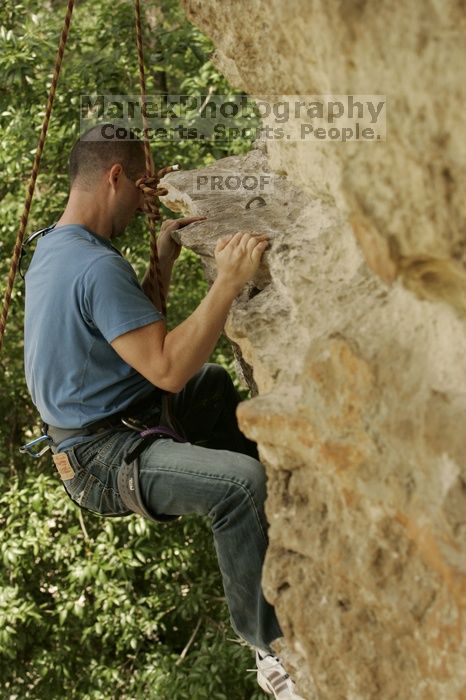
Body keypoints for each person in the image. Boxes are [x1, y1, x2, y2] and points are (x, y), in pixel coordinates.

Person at [23, 124, 305, 699]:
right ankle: (271, 651)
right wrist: (228, 281)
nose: (148, 198)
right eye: (143, 185)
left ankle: (284, 534)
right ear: (114, 176)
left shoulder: (58, 246)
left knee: (213, 384)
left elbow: (130, 337)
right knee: (241, 485)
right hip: (101, 456)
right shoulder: (94, 266)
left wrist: (162, 262)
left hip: (107, 426)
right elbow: (165, 369)